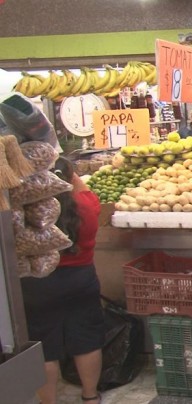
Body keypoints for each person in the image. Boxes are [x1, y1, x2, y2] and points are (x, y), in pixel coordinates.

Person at [21, 157, 104, 404]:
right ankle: (90, 396)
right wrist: (69, 174)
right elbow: (82, 188)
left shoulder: (30, 211)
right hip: (81, 280)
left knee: (43, 346)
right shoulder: (87, 205)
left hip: (37, 283)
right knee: (86, 338)